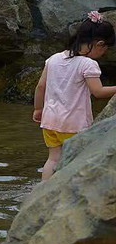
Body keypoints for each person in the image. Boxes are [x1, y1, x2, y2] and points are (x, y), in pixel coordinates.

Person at [33, 11, 116, 181]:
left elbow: (40, 86)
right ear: (99, 44)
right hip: (74, 123)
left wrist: (38, 109)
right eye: (105, 48)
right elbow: (98, 92)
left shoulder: (53, 59)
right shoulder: (88, 64)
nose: (104, 53)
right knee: (76, 160)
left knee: (53, 159)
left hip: (50, 120)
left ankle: (43, 189)